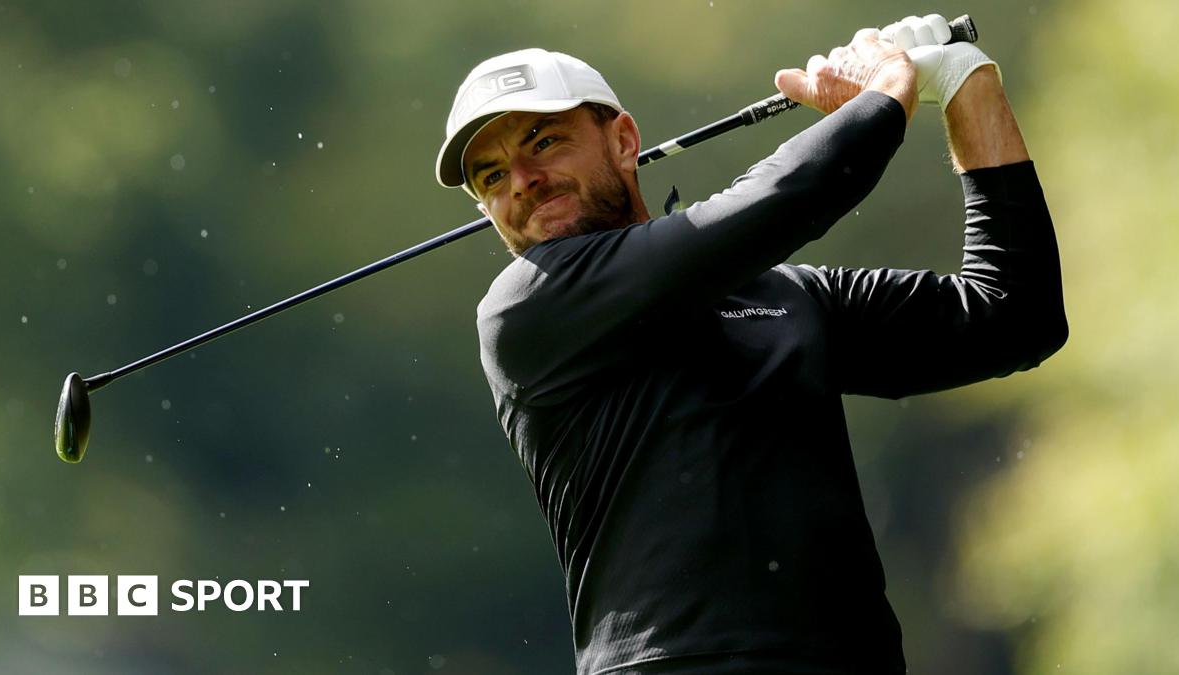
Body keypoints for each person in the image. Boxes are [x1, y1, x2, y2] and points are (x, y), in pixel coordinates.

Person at [435, 14, 1067, 675]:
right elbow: (793, 191)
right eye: (491, 176)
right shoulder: (526, 308)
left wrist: (964, 81)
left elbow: (1014, 317)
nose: (521, 179)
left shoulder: (791, 297)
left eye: (543, 141)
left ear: (622, 140)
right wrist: (886, 90)